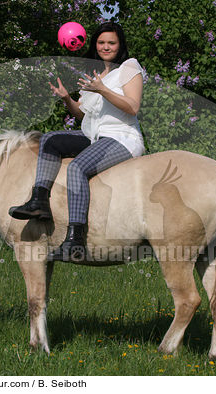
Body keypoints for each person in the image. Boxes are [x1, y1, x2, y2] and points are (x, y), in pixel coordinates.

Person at [8, 21, 145, 262]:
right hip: (94, 137)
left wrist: (103, 90)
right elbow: (83, 114)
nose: (105, 47)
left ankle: (75, 241)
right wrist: (67, 100)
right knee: (50, 140)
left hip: (122, 137)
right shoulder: (96, 75)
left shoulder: (128, 67)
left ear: (120, 44)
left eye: (111, 42)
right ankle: (39, 201)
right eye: (101, 42)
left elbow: (133, 107)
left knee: (77, 168)